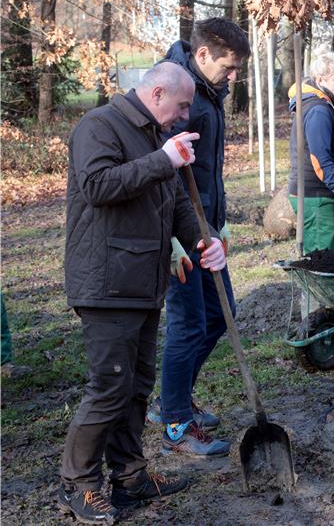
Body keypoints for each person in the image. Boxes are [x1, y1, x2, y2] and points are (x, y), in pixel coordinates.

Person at [60, 62, 227, 523]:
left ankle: (130, 476)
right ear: (156, 94)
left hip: (142, 282)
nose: (185, 114)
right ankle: (79, 484)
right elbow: (97, 187)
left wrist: (205, 238)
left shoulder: (154, 134)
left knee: (136, 388)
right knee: (109, 388)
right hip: (105, 282)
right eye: (182, 104)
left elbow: (175, 201)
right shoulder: (99, 126)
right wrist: (164, 160)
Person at [147, 17, 250, 458]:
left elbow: (204, 171)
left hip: (204, 227)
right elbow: (163, 171)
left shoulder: (208, 93)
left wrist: (218, 220)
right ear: (202, 54)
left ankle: (172, 400)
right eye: (229, 67)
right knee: (188, 326)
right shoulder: (177, 97)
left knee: (216, 319)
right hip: (179, 234)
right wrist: (173, 238)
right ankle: (176, 427)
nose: (234, 77)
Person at [288, 50, 334, 254]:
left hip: (324, 195)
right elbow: (320, 160)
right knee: (321, 258)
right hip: (316, 198)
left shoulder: (324, 104)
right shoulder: (318, 110)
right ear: (320, 79)